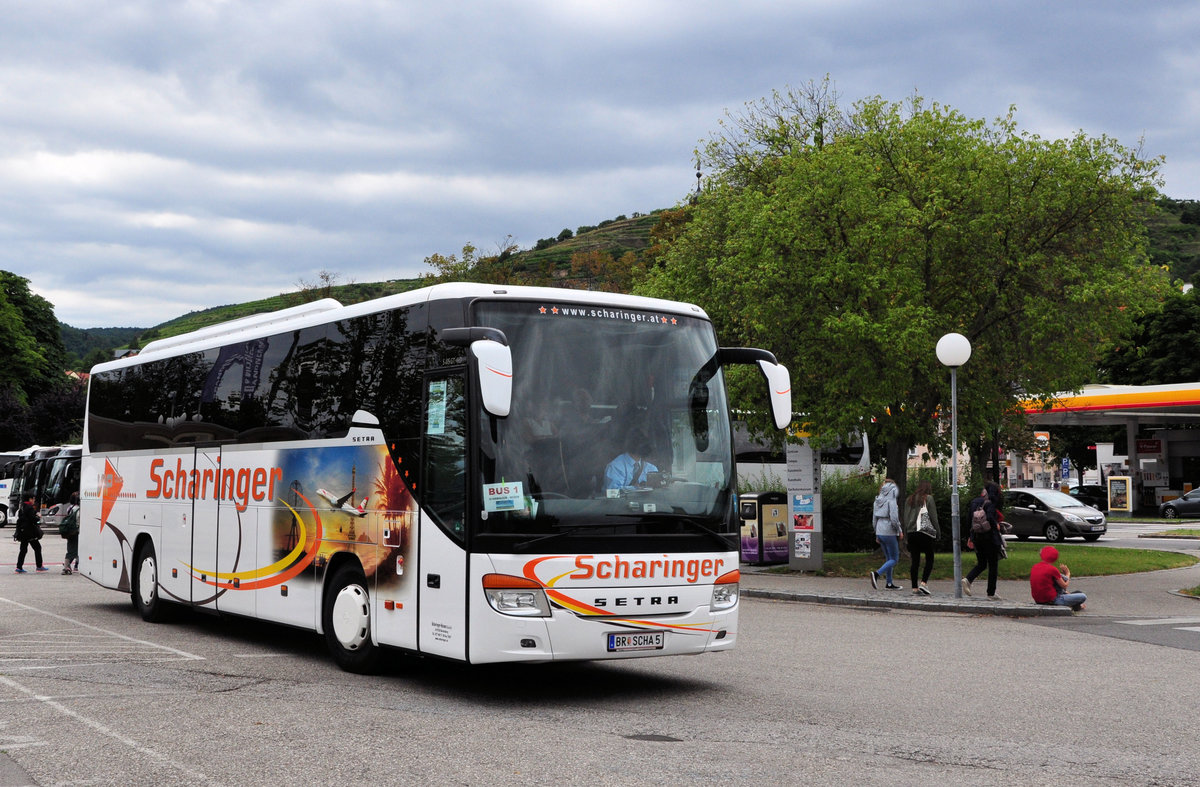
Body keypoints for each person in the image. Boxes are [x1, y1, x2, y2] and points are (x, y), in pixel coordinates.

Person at [962, 483, 1003, 599]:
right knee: (993, 565)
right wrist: (996, 525)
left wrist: (970, 537)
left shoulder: (974, 502)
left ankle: (968, 579)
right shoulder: (990, 503)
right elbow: (990, 517)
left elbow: (969, 520)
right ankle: (991, 593)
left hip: (977, 537)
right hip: (990, 538)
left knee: (982, 563)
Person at [902, 479, 940, 595]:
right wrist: (938, 532)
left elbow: (905, 517)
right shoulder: (928, 499)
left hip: (912, 532)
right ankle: (923, 583)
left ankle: (914, 587)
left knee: (915, 560)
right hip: (925, 532)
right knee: (929, 558)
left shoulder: (910, 499)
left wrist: (906, 534)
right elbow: (933, 517)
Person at [868, 478, 903, 590]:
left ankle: (889, 583)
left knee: (888, 558)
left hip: (880, 529)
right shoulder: (891, 501)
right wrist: (899, 530)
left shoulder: (877, 500)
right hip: (889, 531)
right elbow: (894, 518)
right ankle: (877, 574)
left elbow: (874, 519)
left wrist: (877, 534)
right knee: (894, 559)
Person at [1030, 545, 1087, 611]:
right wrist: (1068, 573)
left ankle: (1074, 604)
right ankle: (1074, 605)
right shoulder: (1052, 569)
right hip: (1053, 600)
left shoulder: (1035, 567)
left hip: (1038, 600)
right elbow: (1064, 586)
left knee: (1077, 592)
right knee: (1082, 596)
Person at [14, 493, 47, 573]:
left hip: (23, 532)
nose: (34, 500)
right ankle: (39, 566)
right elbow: (33, 519)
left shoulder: (22, 507)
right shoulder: (29, 508)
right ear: (30, 499)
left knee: (23, 550)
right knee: (37, 548)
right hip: (30, 533)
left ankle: (19, 567)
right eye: (33, 499)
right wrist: (38, 517)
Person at [59, 492, 80, 575]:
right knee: (74, 550)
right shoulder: (79, 510)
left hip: (69, 531)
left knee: (71, 548)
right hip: (76, 532)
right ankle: (67, 567)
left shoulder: (70, 508)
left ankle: (70, 565)